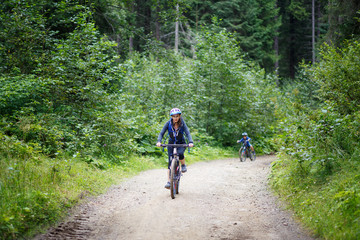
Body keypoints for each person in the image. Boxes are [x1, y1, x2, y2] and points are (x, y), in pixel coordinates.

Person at [156, 108, 194, 189]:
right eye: (173, 116)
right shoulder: (168, 123)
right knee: (170, 163)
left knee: (180, 153)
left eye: (177, 116)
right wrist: (159, 141)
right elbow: (162, 133)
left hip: (181, 142)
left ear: (180, 116)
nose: (175, 118)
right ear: (171, 117)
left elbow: (187, 132)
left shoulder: (182, 124)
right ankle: (169, 182)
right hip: (171, 143)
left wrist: (190, 142)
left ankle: (183, 165)